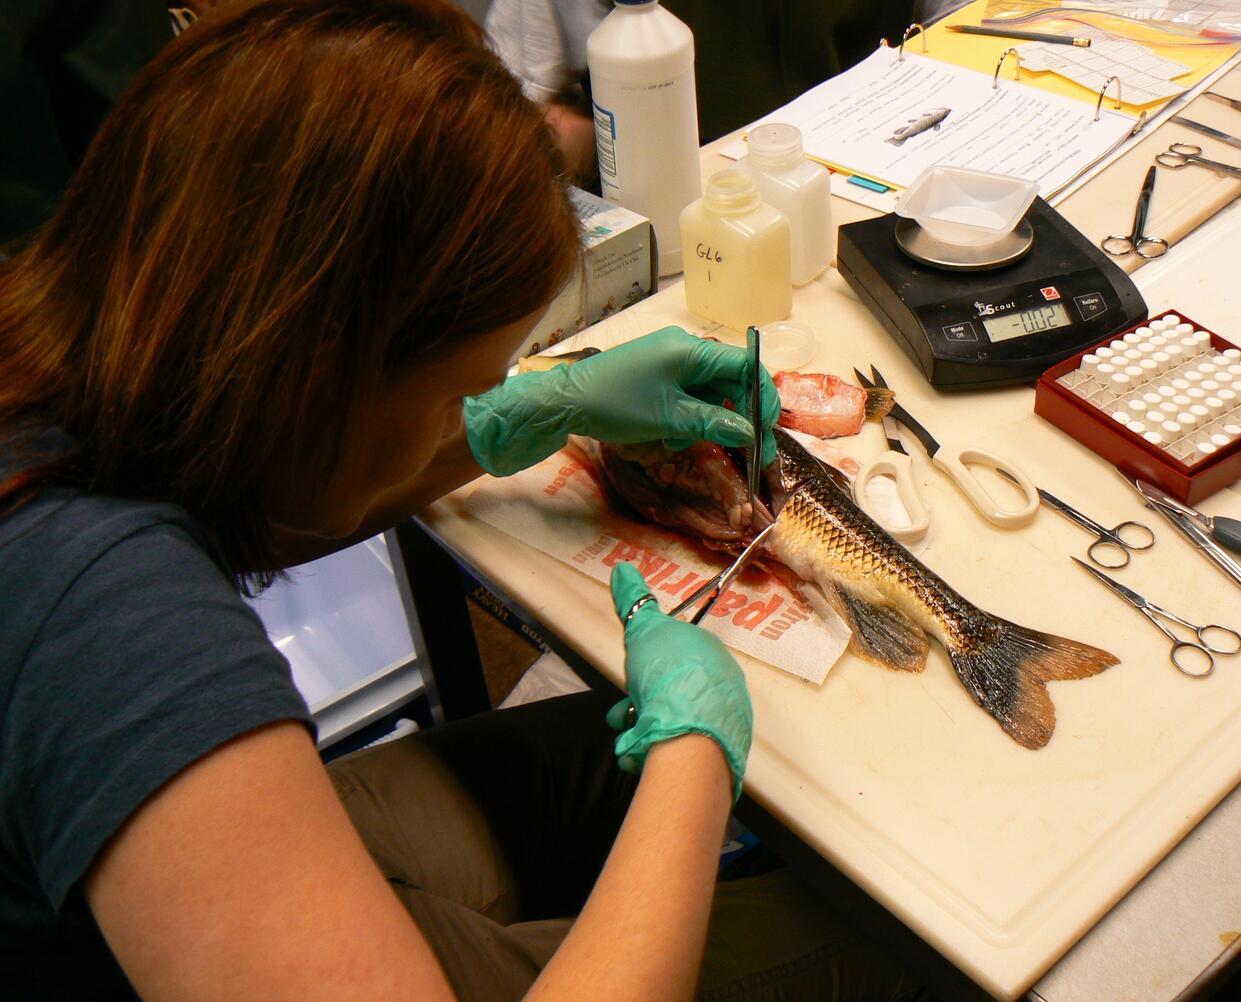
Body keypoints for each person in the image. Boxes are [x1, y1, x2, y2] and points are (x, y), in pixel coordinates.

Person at [0, 1, 925, 999]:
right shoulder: (111, 625)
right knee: (884, 937)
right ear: (317, 374)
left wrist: (528, 414)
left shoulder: (73, 364)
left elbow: (247, 484)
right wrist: (694, 758)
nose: (466, 412)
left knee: (742, 770)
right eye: (454, 391)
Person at [484, 0, 919, 184]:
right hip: (686, 210)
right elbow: (510, 119)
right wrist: (613, 144)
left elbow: (966, 22)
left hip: (888, 172)